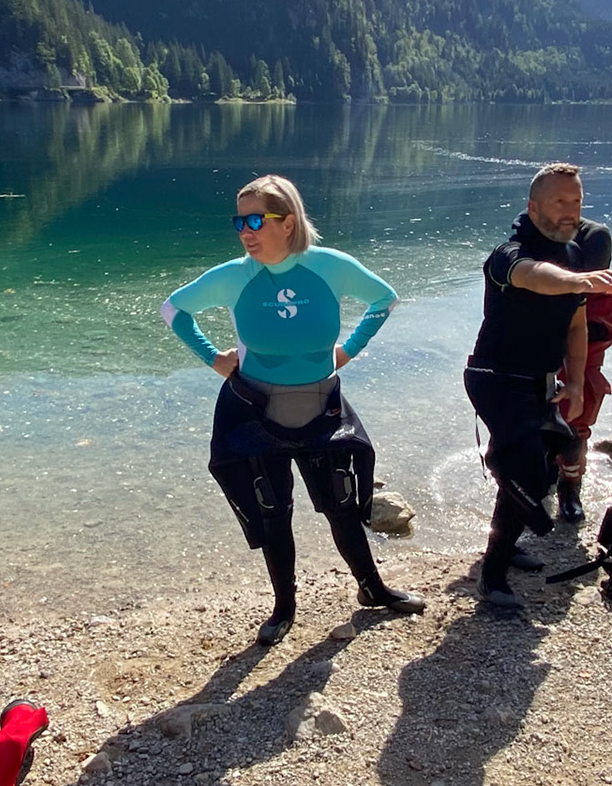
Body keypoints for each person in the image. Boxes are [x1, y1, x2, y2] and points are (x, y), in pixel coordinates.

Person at [162, 175, 424, 645]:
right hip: (254, 412)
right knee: (272, 512)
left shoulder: (329, 267)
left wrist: (349, 350)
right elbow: (174, 311)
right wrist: (214, 359)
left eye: (256, 219)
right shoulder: (235, 275)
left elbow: (383, 299)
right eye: (239, 221)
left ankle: (372, 588)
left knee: (342, 507)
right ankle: (284, 608)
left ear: (288, 221)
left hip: (322, 406)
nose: (246, 230)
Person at [466, 163, 612, 608]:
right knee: (531, 476)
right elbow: (534, 276)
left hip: (541, 381)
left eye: (576, 202)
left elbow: (577, 326)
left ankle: (505, 541)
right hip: (494, 379)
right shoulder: (507, 253)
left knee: (547, 453)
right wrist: (577, 281)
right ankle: (492, 578)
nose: (571, 211)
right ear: (533, 206)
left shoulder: (575, 254)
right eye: (560, 201)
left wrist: (575, 380)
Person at [554, 197, 612, 522]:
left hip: (580, 378)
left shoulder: (603, 303)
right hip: (543, 372)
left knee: (573, 433)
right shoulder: (551, 286)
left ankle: (570, 489)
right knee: (536, 430)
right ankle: (543, 480)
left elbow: (601, 329)